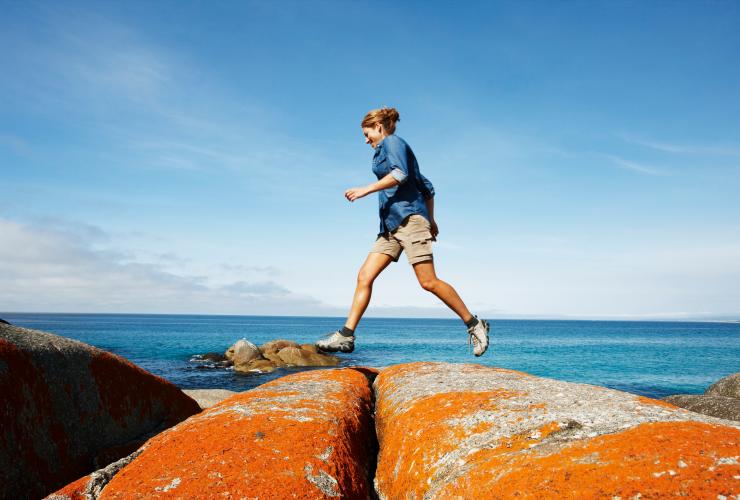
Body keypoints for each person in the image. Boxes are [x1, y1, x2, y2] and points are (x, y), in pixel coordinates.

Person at [315, 107, 490, 356]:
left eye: (367, 134)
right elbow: (427, 187)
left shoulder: (392, 142)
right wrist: (433, 219)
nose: (366, 140)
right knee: (364, 276)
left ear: (379, 127)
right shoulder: (382, 152)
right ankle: (346, 336)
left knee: (428, 281)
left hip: (409, 221)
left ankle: (474, 324)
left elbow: (400, 174)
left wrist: (366, 190)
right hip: (390, 227)